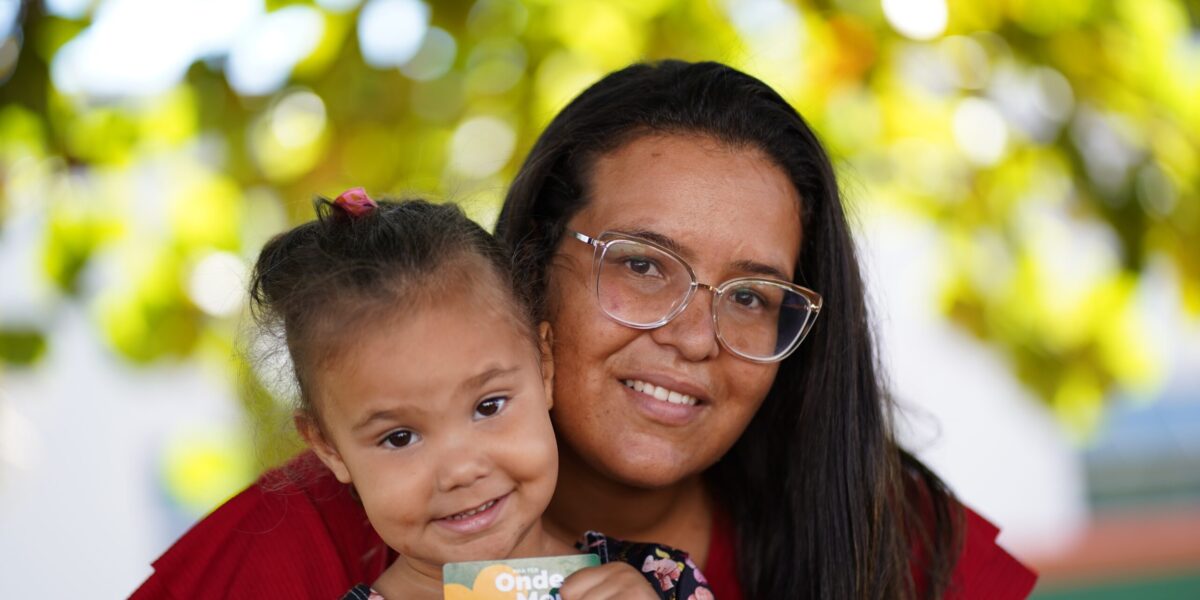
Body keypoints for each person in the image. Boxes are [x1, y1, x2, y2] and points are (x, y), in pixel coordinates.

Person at [133, 60, 1036, 599]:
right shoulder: (297, 540)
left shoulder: (890, 537)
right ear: (529, 271)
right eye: (643, 265)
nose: (693, 337)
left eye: (752, 295)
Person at [242, 189, 712, 599]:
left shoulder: (658, 582)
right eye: (400, 437)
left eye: (489, 406)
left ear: (543, 366)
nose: (461, 471)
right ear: (328, 448)